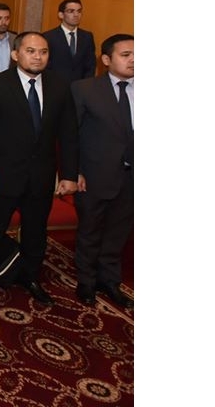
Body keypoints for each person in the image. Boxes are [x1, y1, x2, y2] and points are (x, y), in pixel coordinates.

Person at [0, 31, 78, 306]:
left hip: (41, 176)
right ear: (16, 54)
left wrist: (68, 174)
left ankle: (30, 277)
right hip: (0, 176)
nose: (37, 57)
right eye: (31, 51)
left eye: (43, 52)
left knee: (35, 232)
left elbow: (68, 134)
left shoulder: (60, 85)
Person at [71, 34, 134, 309]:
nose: (133, 60)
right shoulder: (85, 89)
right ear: (106, 59)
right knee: (90, 230)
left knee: (119, 231)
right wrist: (74, 171)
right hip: (94, 174)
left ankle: (110, 281)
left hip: (132, 176)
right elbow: (70, 135)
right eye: (126, 55)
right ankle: (86, 281)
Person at [43, 0, 96, 82]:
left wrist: (86, 85)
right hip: (55, 85)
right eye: (71, 11)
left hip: (80, 86)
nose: (76, 15)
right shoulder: (48, 37)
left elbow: (90, 65)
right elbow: (46, 65)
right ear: (61, 15)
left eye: (79, 11)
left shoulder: (87, 37)